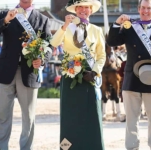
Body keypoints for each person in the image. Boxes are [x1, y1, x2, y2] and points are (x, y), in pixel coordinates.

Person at [0, 0, 52, 149]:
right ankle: (0, 147)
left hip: (29, 73)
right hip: (5, 71)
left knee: (28, 117)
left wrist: (42, 60)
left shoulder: (43, 19)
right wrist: (6, 20)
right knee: (1, 115)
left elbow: (49, 46)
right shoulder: (5, 14)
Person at [106, 0, 151, 149]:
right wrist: (117, 23)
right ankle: (132, 147)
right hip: (132, 79)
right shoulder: (130, 28)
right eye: (143, 8)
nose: (146, 11)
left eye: (149, 8)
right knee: (131, 119)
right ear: (139, 9)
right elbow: (112, 41)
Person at [50, 0, 106, 149]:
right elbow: (54, 43)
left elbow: (101, 56)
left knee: (92, 114)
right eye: (79, 7)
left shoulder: (96, 30)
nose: (83, 10)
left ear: (91, 10)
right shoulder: (68, 27)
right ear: (75, 9)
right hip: (70, 76)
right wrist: (64, 26)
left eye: (86, 7)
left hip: (90, 75)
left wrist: (95, 71)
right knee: (71, 115)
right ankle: (68, 147)